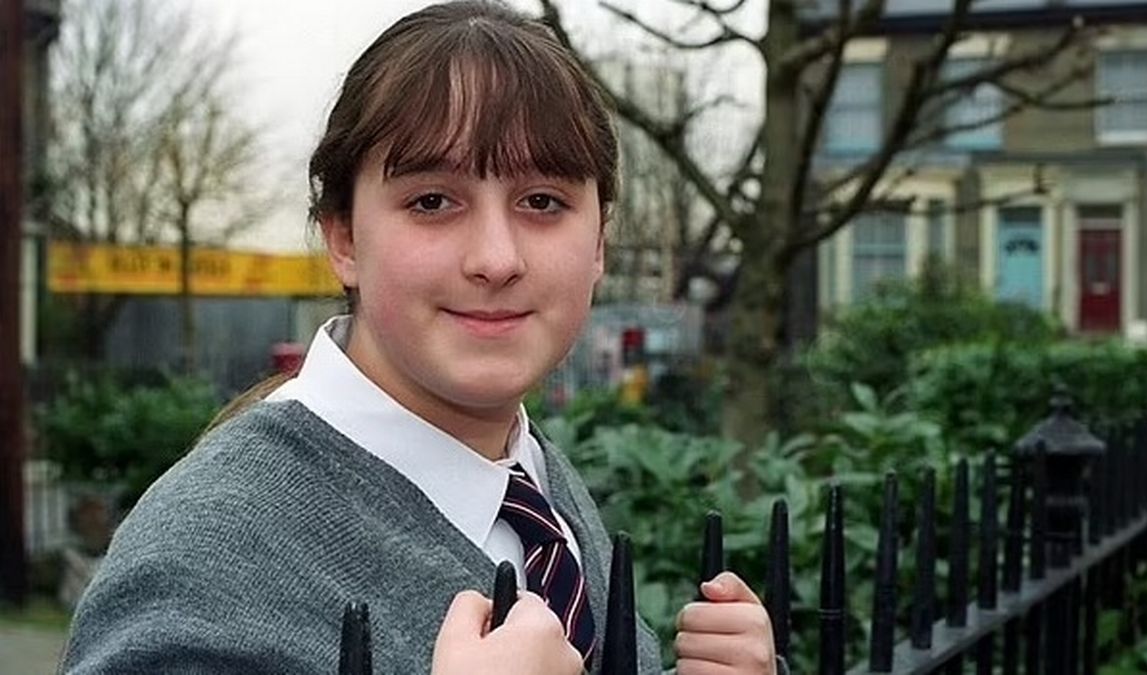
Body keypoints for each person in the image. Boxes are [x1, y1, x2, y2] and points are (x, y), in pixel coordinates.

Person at [60, 2, 782, 673]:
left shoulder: (533, 480)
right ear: (343, 237)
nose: (496, 258)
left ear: (600, 240)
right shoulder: (203, 564)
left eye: (543, 201)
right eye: (432, 201)